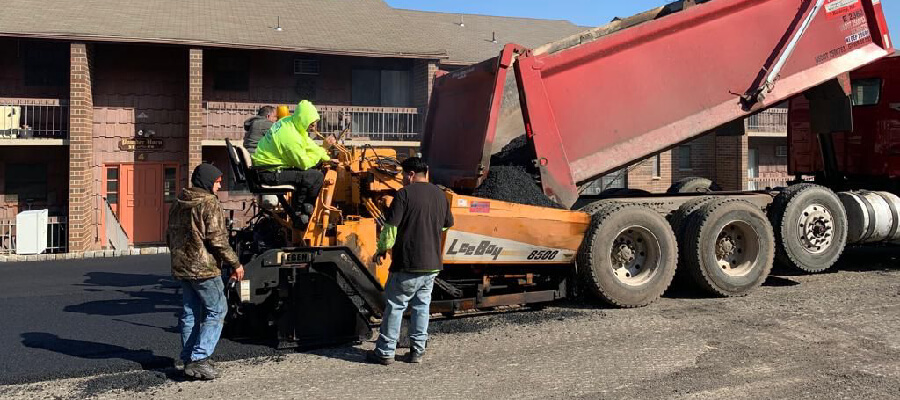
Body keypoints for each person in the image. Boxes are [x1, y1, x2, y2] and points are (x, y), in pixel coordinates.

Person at [367, 157, 454, 365]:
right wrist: (430, 232)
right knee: (422, 307)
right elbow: (447, 224)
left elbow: (390, 229)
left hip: (408, 262)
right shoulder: (440, 195)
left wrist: (382, 250)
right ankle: (417, 351)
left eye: (404, 175)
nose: (403, 179)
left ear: (411, 175)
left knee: (396, 306)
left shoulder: (404, 194)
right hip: (432, 264)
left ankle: (385, 352)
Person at [166, 163, 244, 380]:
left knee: (190, 313)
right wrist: (236, 264)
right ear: (208, 182)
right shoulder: (209, 203)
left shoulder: (178, 202)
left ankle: (186, 358)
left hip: (181, 267)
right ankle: (200, 359)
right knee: (217, 310)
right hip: (204, 269)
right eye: (218, 182)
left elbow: (169, 236)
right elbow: (217, 239)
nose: (219, 186)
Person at [251, 100, 336, 225]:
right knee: (315, 176)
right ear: (303, 120)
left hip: (266, 167)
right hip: (268, 172)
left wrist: (325, 156)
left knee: (306, 176)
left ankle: (300, 213)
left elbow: (308, 144)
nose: (313, 127)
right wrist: (323, 150)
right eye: (311, 124)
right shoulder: (290, 137)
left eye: (314, 124)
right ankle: (305, 213)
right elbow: (304, 163)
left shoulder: (289, 122)